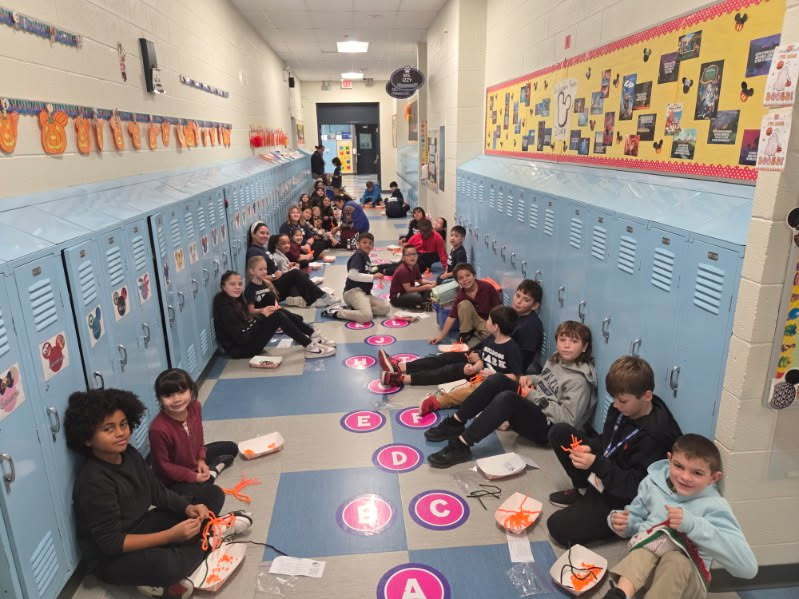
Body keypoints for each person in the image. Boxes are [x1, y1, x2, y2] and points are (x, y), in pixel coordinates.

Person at [65, 388, 252, 598]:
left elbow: (157, 492)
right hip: (112, 558)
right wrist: (170, 536)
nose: (120, 433)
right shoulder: (94, 481)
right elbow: (112, 544)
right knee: (166, 566)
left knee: (212, 495)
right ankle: (210, 536)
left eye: (123, 424)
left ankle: (199, 542)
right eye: (109, 429)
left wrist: (188, 508)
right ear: (87, 438)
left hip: (141, 525)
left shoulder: (128, 453)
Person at [546, 355, 682, 547]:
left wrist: (596, 463)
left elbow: (636, 488)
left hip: (627, 495)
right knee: (559, 432)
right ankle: (584, 491)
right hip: (607, 472)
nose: (616, 405)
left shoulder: (656, 436)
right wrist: (591, 447)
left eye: (622, 401)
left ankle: (620, 524)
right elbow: (608, 440)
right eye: (614, 399)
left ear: (647, 396)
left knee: (557, 527)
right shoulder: (623, 407)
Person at [421, 320, 596, 467]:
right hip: (535, 405)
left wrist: (532, 396)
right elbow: (544, 380)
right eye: (563, 340)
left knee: (508, 399)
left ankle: (462, 444)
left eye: (574, 342)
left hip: (548, 429)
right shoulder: (557, 359)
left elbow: (568, 421)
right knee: (497, 379)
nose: (566, 345)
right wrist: (530, 379)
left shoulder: (579, 382)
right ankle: (456, 422)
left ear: (584, 347)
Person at [605, 434, 757, 599]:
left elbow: (747, 568)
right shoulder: (652, 483)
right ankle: (618, 595)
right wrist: (625, 523)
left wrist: (693, 525)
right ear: (669, 460)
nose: (685, 477)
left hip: (686, 583)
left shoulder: (715, 506)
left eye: (697, 473)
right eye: (678, 466)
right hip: (644, 575)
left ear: (714, 478)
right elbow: (635, 520)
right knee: (647, 546)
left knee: (676, 559)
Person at [416, 279, 545, 414]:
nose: (518, 302)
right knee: (450, 357)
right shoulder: (512, 314)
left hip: (499, 373)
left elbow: (519, 366)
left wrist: (483, 361)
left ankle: (437, 402)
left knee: (461, 376)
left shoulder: (531, 328)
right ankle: (405, 370)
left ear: (535, 305)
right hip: (487, 360)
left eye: (526, 300)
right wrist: (476, 352)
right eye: (518, 296)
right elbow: (491, 339)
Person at [380, 305, 522, 393]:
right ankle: (400, 366)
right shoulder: (491, 338)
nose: (486, 322)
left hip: (487, 380)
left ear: (496, 326)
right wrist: (478, 360)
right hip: (477, 367)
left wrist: (490, 374)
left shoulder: (512, 348)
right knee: (446, 358)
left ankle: (402, 378)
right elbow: (477, 351)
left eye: (489, 320)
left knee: (451, 370)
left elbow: (516, 377)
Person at [149, 369, 238, 505]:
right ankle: (211, 473)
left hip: (192, 460)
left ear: (191, 391)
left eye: (181, 392)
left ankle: (210, 471)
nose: (176, 399)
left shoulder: (195, 407)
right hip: (172, 479)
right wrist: (193, 476)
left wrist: (201, 459)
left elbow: (198, 437)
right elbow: (164, 466)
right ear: (159, 399)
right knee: (211, 495)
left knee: (231, 447)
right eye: (168, 395)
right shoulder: (158, 429)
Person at [213, 270, 334, 359]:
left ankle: (312, 334)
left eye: (239, 284)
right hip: (241, 349)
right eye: (232, 284)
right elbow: (241, 336)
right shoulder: (224, 306)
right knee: (277, 316)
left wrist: (265, 312)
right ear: (223, 286)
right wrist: (262, 316)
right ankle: (309, 345)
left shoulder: (236, 298)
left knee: (277, 311)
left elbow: (248, 323)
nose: (237, 287)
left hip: (247, 339)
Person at [244, 255, 335, 347]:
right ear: (252, 271)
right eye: (261, 269)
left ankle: (313, 334)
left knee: (297, 318)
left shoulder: (266, 283)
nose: (264, 272)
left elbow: (272, 299)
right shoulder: (250, 289)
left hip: (275, 312)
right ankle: (308, 343)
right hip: (264, 319)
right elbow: (250, 311)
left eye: (265, 269)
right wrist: (263, 310)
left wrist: (275, 304)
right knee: (287, 319)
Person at [245, 222, 334, 308]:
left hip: (277, 281)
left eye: (267, 233)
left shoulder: (261, 248)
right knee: (295, 273)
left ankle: (309, 297)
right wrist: (273, 276)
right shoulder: (254, 252)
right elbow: (254, 277)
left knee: (301, 275)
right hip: (270, 287)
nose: (265, 236)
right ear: (253, 234)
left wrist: (286, 267)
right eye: (262, 233)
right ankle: (320, 297)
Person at [322, 233, 390, 323]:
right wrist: (373, 276)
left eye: (370, 243)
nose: (367, 245)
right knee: (366, 316)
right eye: (364, 242)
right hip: (353, 292)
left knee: (385, 308)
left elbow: (364, 273)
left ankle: (356, 309)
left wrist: (374, 273)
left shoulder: (366, 258)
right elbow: (353, 275)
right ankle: (336, 312)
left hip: (365, 293)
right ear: (358, 244)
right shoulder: (358, 255)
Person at [429, 263, 501, 346]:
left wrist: (493, 325)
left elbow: (498, 309)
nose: (465, 279)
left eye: (468, 275)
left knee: (493, 338)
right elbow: (451, 317)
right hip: (471, 324)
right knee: (463, 304)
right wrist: (441, 336)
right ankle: (466, 334)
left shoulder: (487, 288)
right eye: (461, 278)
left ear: (474, 275)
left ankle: (477, 335)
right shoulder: (461, 295)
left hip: (487, 322)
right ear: (458, 282)